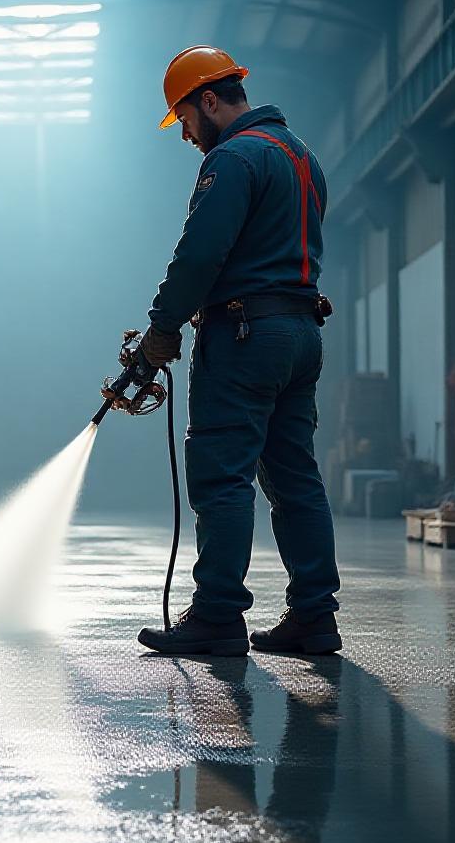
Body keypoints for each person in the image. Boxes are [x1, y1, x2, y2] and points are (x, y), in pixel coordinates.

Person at [135, 45, 342, 657]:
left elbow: (201, 252)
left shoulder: (234, 157)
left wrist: (163, 324)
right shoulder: (302, 157)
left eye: (186, 121)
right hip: (301, 332)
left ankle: (218, 616)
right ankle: (314, 617)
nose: (187, 137)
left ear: (207, 100)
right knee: (294, 477)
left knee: (223, 474)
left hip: (246, 335)